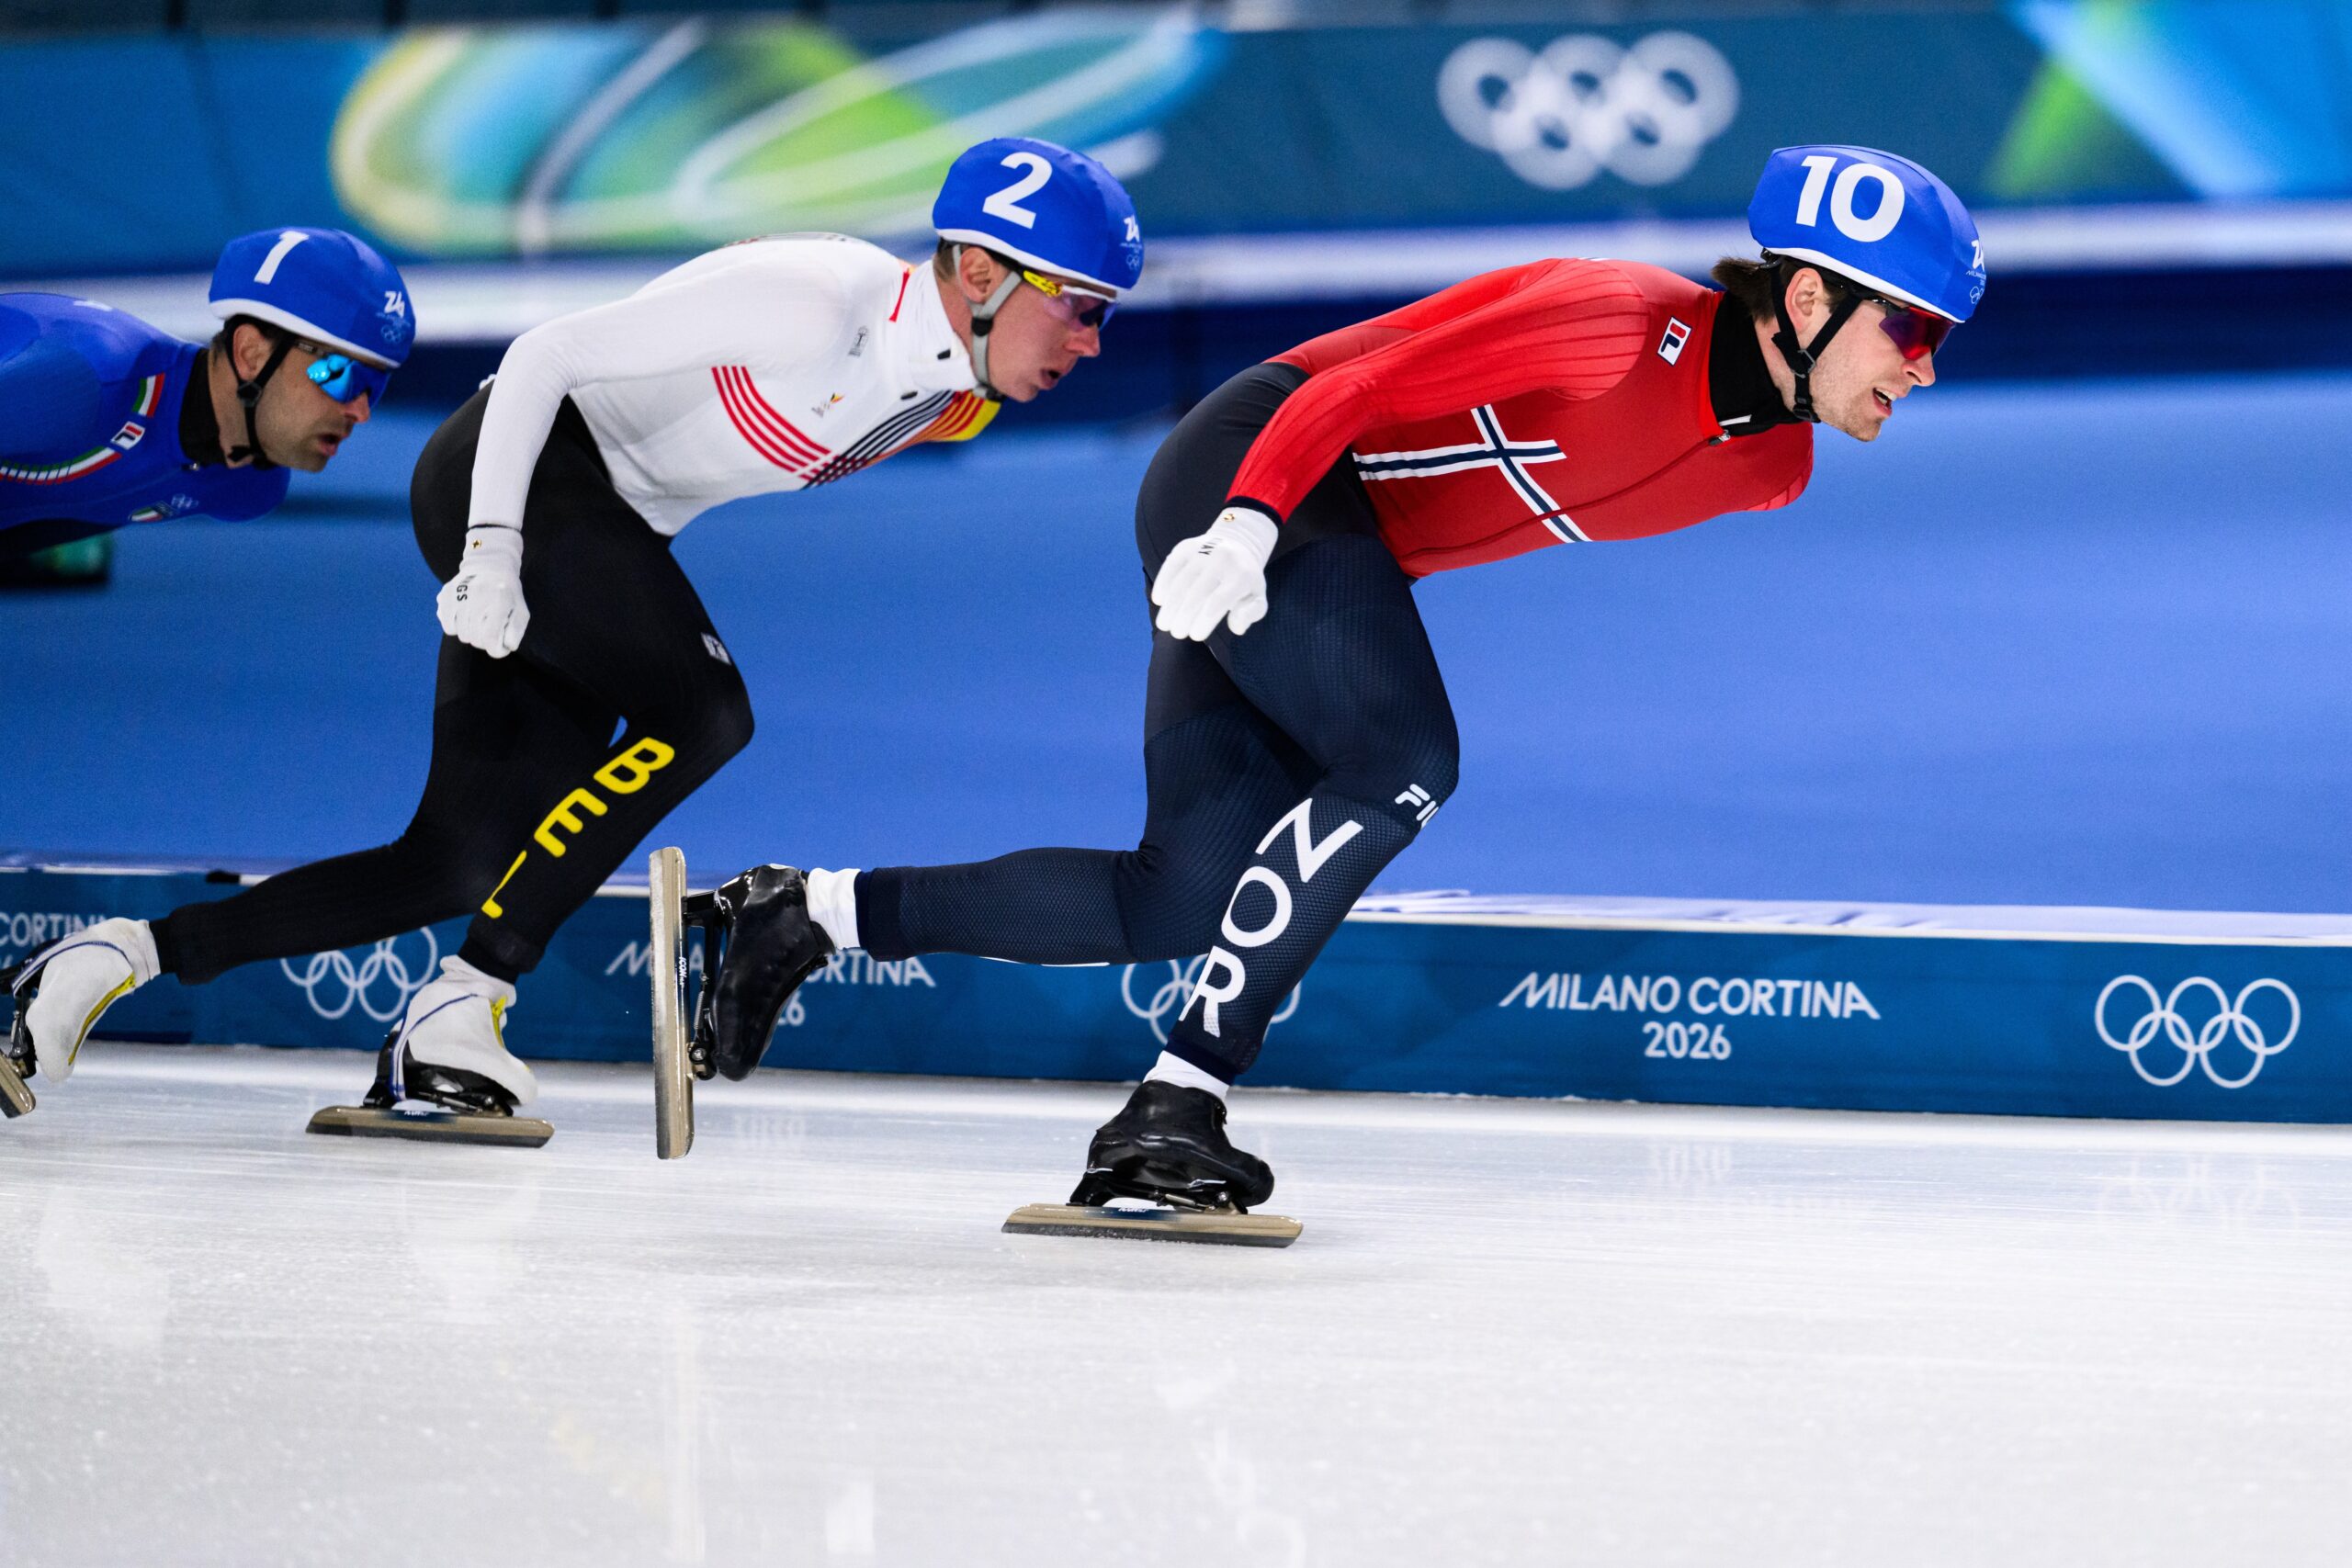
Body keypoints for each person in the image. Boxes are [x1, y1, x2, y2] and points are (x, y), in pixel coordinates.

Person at [690, 144, 1987, 1212]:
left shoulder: (1773, 467)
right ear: (1808, 302)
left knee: (1176, 896)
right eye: (1913, 326)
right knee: (1407, 758)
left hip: (1322, 538)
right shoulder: (1608, 316)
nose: (1926, 364)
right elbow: (1356, 388)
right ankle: (1179, 1096)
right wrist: (1250, 521)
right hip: (1259, 467)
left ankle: (804, 913)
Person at [1, 137, 1142, 1131]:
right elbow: (543, 357)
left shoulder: (951, 398)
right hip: (512, 468)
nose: (1091, 342)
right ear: (981, 272)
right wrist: (494, 548)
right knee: (705, 711)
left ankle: (114, 959)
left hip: (598, 525)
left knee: (455, 858)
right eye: (1081, 307)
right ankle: (473, 997)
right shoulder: (814, 297)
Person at [0, 227, 410, 565]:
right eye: (340, 374)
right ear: (251, 354)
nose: (360, 410)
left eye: (376, 388)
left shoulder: (245, 488)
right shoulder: (84, 384)